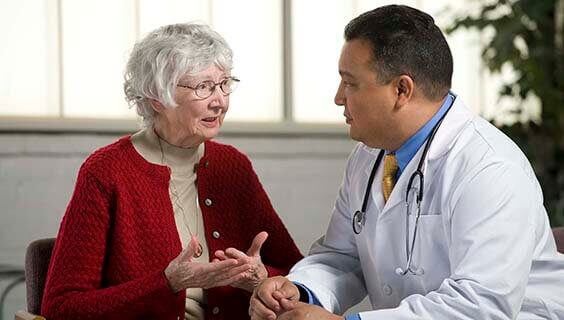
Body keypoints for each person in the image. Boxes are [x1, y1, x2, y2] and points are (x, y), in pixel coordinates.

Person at [249, 5, 564, 320]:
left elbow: (480, 306)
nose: (338, 97)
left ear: (401, 90)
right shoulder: (369, 156)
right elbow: (342, 257)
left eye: (350, 83)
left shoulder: (489, 167)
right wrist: (300, 289)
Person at [41, 23, 302, 320]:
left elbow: (299, 272)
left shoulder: (232, 165)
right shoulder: (106, 172)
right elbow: (62, 308)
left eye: (224, 84)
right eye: (203, 87)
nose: (220, 101)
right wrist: (168, 282)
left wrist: (261, 275)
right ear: (157, 98)